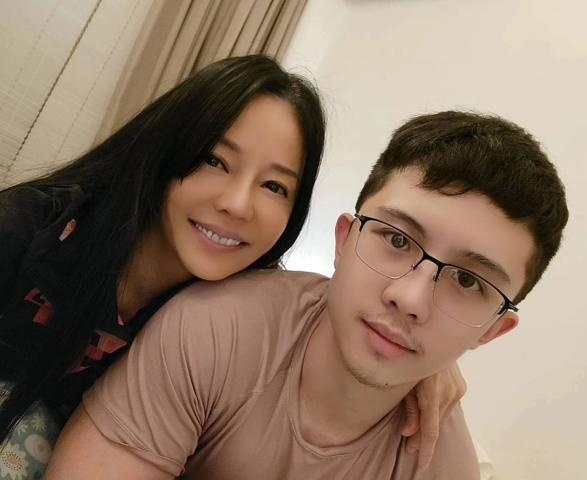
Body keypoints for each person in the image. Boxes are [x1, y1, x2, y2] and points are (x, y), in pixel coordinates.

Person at [0, 55, 460, 478]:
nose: (237, 205)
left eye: (274, 187)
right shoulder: (28, 232)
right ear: (167, 148)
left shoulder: (238, 316)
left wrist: (425, 366)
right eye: (215, 161)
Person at [44, 110, 569, 479]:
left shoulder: (441, 466)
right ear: (343, 241)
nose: (410, 298)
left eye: (469, 281)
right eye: (396, 240)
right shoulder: (218, 327)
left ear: (494, 329)